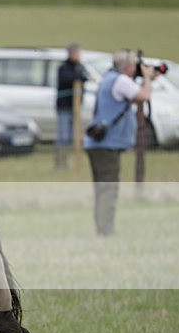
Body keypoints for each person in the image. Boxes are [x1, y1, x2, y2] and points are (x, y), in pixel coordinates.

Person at [84, 49, 156, 237]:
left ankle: (103, 228)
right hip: (106, 145)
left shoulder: (109, 78)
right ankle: (106, 231)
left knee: (102, 189)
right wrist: (147, 78)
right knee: (109, 189)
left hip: (98, 144)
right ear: (128, 66)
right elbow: (144, 96)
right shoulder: (121, 80)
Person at [55, 43, 90, 170]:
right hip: (64, 107)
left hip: (75, 107)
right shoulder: (64, 68)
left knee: (72, 136)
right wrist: (80, 77)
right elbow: (69, 78)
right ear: (71, 54)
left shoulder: (79, 66)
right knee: (63, 136)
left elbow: (85, 76)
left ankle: (70, 162)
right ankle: (60, 163)